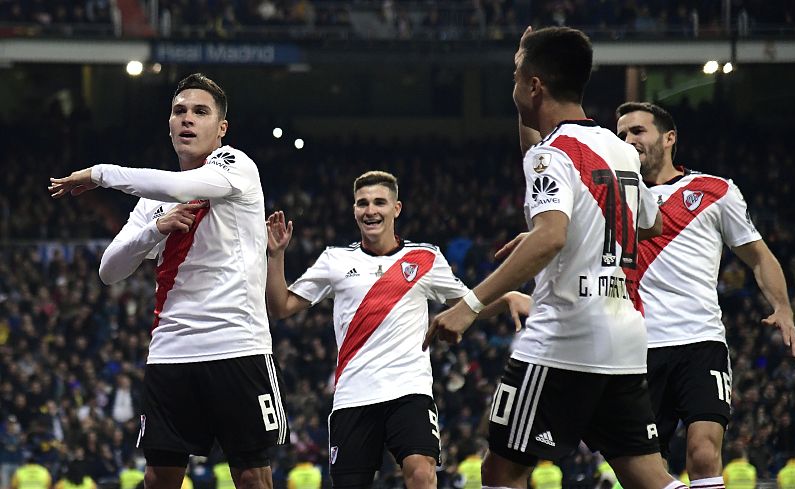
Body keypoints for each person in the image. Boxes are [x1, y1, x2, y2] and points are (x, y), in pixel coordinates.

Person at [423, 26, 684, 489]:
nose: (513, 85)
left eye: (516, 75)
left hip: (565, 338)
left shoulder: (553, 155)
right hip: (622, 338)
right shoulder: (619, 150)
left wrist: (468, 307)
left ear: (534, 85)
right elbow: (652, 223)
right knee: (648, 475)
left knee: (501, 471)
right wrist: (567, 228)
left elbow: (550, 238)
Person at [48, 73, 289, 489]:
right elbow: (109, 270)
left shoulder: (236, 166)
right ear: (170, 123)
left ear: (222, 128)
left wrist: (101, 173)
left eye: (201, 112)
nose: (188, 120)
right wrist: (154, 229)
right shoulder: (151, 202)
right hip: (170, 352)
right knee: (159, 477)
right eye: (180, 111)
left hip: (236, 345)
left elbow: (183, 186)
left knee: (251, 476)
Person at [266, 170, 530, 489]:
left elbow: (469, 305)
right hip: (353, 395)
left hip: (409, 391)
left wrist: (505, 299)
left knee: (421, 472)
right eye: (362, 203)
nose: (370, 210)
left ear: (397, 208)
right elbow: (280, 306)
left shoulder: (425, 258)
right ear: (354, 210)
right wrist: (276, 254)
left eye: (379, 202)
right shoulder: (334, 260)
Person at [615, 101, 795, 489]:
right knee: (645, 469)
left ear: (669, 138)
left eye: (637, 131)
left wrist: (782, 306)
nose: (627, 140)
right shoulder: (615, 200)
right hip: (636, 347)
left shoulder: (715, 191)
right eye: (621, 134)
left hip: (700, 342)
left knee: (702, 452)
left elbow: (759, 256)